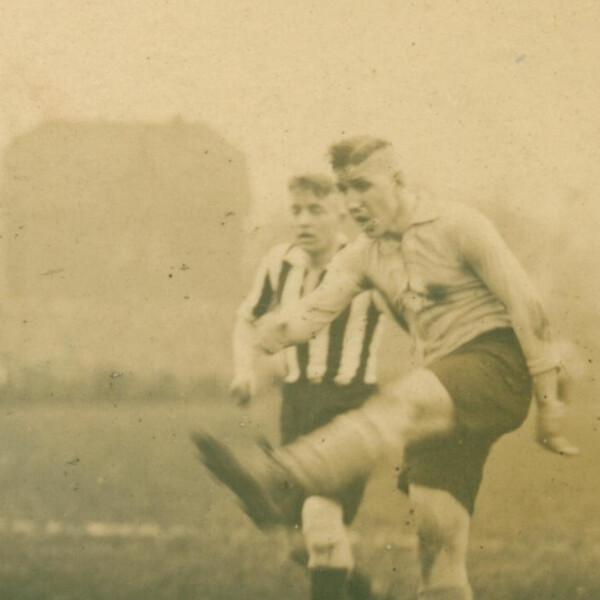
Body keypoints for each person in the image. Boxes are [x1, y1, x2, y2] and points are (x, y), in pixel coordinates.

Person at [193, 137, 578, 600]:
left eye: (362, 186)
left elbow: (527, 304)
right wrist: (280, 330)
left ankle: (279, 477)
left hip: (495, 365)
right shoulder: (361, 254)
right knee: (437, 540)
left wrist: (549, 399)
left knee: (402, 399)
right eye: (344, 188)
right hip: (443, 385)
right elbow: (317, 308)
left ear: (397, 182)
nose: (352, 202)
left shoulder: (458, 224)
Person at [229, 173, 385, 600]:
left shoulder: (367, 260)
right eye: (296, 209)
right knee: (309, 540)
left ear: (340, 211)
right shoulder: (280, 263)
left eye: (315, 209)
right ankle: (360, 591)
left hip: (350, 407)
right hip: (296, 404)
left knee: (320, 520)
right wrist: (245, 370)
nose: (303, 220)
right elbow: (247, 318)